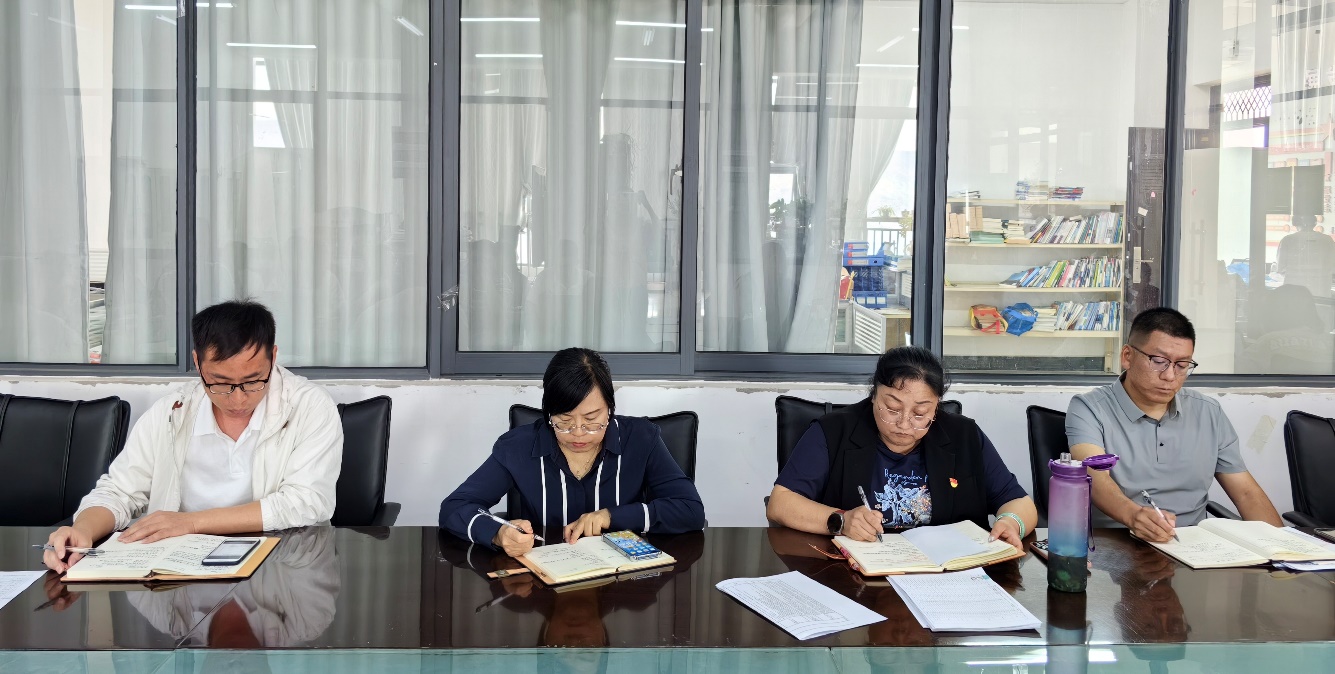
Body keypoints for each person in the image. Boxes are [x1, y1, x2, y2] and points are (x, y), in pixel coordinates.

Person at [43, 300, 344, 573]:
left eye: (253, 381)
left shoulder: (309, 406)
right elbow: (119, 491)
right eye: (220, 383)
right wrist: (82, 530)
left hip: (281, 567)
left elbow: (307, 501)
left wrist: (191, 523)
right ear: (198, 363)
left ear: (273, 357)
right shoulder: (172, 412)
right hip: (181, 571)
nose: (238, 399)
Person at [765, 346, 1037, 551]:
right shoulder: (832, 431)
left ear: (936, 407)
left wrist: (1011, 522)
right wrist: (842, 520)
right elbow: (781, 503)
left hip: (949, 577)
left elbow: (1020, 503)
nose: (904, 424)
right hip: (854, 577)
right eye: (893, 408)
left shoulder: (964, 436)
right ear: (874, 395)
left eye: (920, 413)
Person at [439, 347, 705, 556]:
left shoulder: (642, 439)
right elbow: (454, 508)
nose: (578, 432)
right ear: (548, 413)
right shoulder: (517, 447)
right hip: (543, 580)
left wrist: (612, 516)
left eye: (591, 419)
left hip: (621, 581)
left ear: (610, 408)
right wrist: (497, 533)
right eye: (564, 420)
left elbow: (690, 510)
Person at [1066, 307, 1282, 542]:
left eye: (1182, 365)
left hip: (1193, 545)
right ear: (1127, 356)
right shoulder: (1090, 408)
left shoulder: (1208, 411)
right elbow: (1096, 478)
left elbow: (1246, 493)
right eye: (1159, 361)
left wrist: (1284, 548)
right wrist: (1134, 516)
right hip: (1117, 542)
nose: (1170, 376)